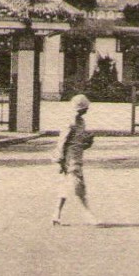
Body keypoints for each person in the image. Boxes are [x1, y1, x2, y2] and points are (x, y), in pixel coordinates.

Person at [51, 94, 99, 226]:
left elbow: (79, 143)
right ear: (80, 108)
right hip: (70, 159)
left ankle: (56, 214)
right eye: (85, 107)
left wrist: (88, 142)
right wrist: (60, 159)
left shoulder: (81, 122)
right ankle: (89, 215)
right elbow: (62, 141)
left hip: (77, 157)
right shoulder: (70, 122)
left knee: (65, 186)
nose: (87, 110)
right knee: (79, 186)